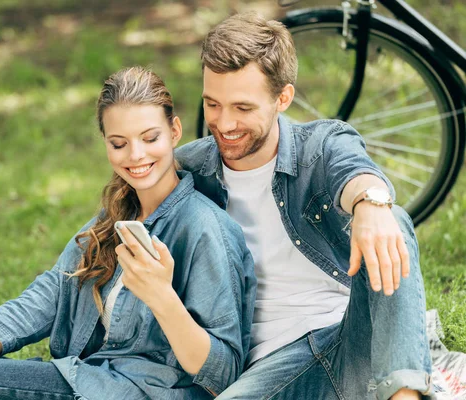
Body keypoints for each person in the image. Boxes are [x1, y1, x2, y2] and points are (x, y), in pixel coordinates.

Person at [0, 67, 256, 400]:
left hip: (120, 390)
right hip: (78, 377)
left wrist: (162, 298)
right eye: (119, 143)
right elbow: (34, 307)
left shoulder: (205, 228)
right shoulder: (114, 217)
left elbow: (221, 374)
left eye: (149, 138)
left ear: (174, 131)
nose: (135, 156)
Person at [175, 11, 433, 400]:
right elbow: (106, 228)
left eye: (243, 108)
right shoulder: (190, 169)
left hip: (348, 343)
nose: (224, 123)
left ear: (283, 98)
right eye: (213, 104)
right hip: (260, 367)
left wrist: (370, 203)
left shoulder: (319, 145)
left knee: (390, 218)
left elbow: (355, 169)